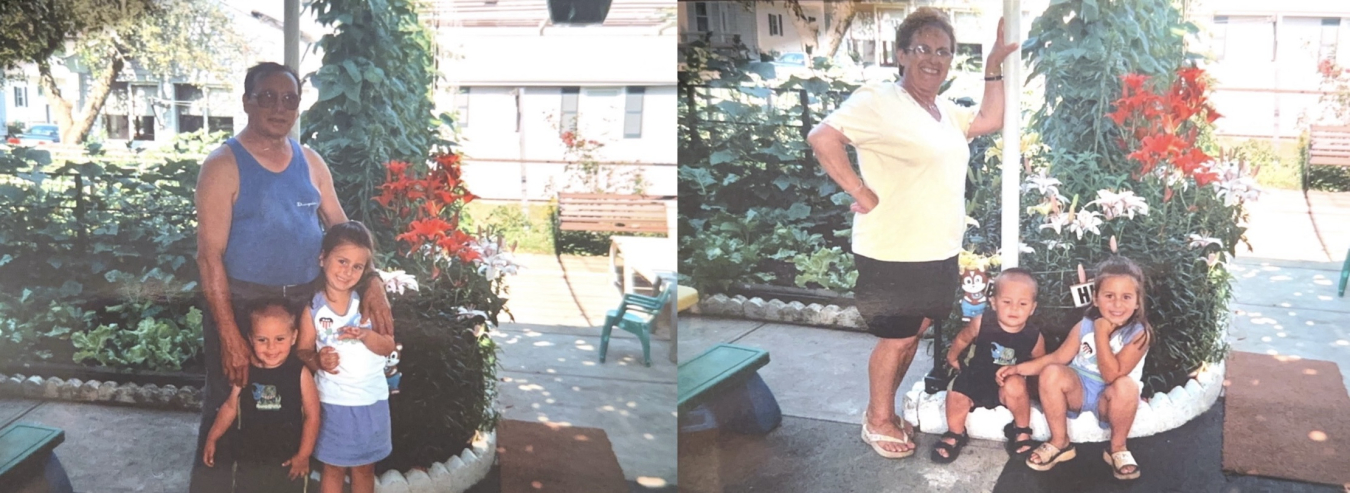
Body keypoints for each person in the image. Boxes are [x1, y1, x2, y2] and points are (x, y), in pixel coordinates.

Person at [806, 7, 1018, 458]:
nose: (933, 58)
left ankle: (882, 411)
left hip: (937, 249)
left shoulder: (941, 109)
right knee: (898, 337)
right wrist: (860, 190)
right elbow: (822, 138)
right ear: (901, 54)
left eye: (943, 52)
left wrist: (993, 67)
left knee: (915, 331)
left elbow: (988, 120)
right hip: (893, 251)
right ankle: (877, 419)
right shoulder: (879, 100)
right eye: (922, 48)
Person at [192, 61, 394, 492]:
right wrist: (230, 333)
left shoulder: (311, 162)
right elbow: (209, 258)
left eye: (289, 99)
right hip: (244, 309)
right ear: (247, 101)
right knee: (231, 404)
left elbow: (345, 231)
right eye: (266, 96)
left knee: (298, 407)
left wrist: (372, 281)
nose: (279, 107)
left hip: (302, 308)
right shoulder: (223, 165)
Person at [996, 257, 1153, 480]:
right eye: (1109, 296)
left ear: (1137, 302)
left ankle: (1118, 448)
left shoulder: (1139, 334)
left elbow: (1111, 375)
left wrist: (1100, 332)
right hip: (1079, 388)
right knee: (1052, 371)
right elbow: (1058, 357)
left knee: (1126, 385)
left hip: (1111, 399)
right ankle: (1060, 442)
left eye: (1126, 297)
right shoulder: (1085, 325)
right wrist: (1018, 368)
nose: (1117, 304)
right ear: (1096, 299)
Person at [298, 221, 396, 493]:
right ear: (322, 258)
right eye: (342, 261)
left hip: (372, 401)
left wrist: (365, 336)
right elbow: (303, 350)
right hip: (334, 403)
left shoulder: (368, 304)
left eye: (357, 266)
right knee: (333, 468)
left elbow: (388, 345)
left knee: (365, 469)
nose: (347, 271)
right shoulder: (313, 309)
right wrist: (319, 360)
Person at [202, 300, 320, 492]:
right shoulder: (246, 370)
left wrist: (304, 455)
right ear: (250, 338)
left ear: (293, 337)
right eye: (262, 340)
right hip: (250, 460)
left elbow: (312, 416)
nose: (271, 348)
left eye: (279, 339)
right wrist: (212, 438)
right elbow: (230, 407)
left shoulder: (299, 373)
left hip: (289, 460)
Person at [932, 268, 1046, 463]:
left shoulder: (1033, 335)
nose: (1014, 308)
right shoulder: (982, 322)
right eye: (1007, 302)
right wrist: (952, 357)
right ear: (994, 302)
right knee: (957, 391)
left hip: (1007, 383)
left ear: (1032, 308)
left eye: (1023, 303)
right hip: (976, 377)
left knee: (1017, 386)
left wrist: (1036, 389)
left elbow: (1041, 363)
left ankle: (1021, 431)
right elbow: (962, 338)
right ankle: (955, 432)